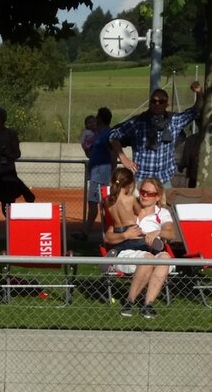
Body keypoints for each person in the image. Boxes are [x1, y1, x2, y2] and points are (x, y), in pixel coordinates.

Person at [104, 176, 176, 319]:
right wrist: (125, 235)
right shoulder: (129, 207)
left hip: (151, 249)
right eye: (142, 191)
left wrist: (158, 232)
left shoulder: (162, 213)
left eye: (150, 193)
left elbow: (171, 234)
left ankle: (148, 304)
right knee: (148, 258)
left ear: (158, 197)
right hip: (126, 251)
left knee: (165, 258)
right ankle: (129, 301)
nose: (144, 195)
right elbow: (108, 238)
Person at [109, 82, 203, 184]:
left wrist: (199, 93)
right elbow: (113, 135)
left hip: (164, 180)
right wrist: (123, 159)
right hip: (141, 179)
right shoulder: (137, 122)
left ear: (167, 104)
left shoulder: (174, 121)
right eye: (154, 101)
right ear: (150, 103)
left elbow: (195, 111)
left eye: (161, 102)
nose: (157, 104)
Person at [0, 106, 33, 244]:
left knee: (8, 208)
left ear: (3, 119)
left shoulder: (11, 134)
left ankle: (13, 239)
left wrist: (8, 154)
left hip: (6, 175)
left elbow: (17, 153)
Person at [83, 107, 114, 236]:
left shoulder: (107, 133)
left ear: (100, 118)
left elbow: (113, 151)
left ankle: (90, 231)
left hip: (102, 170)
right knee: (95, 201)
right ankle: (89, 231)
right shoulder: (99, 134)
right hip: (97, 169)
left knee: (97, 200)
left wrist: (112, 168)